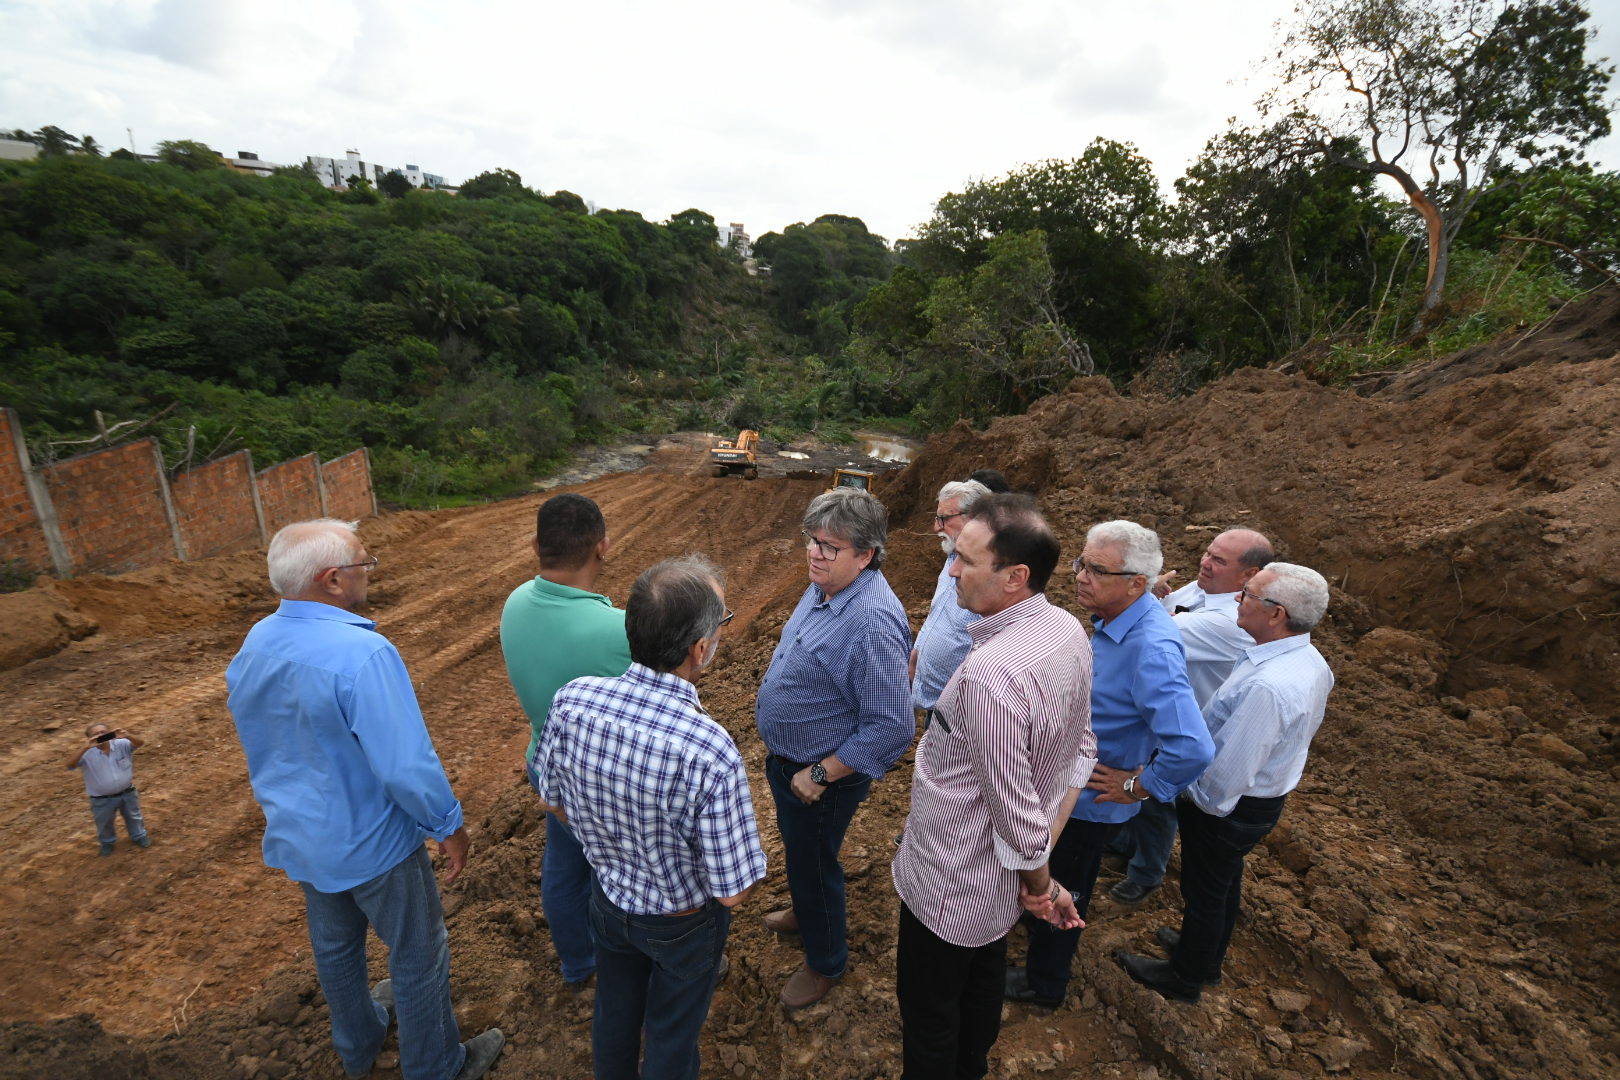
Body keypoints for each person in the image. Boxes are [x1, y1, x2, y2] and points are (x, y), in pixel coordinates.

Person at [227, 519, 502, 1080]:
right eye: (363, 562)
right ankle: (437, 1067)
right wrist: (447, 824)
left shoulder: (256, 642)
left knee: (335, 948)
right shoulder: (364, 653)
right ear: (331, 581)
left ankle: (359, 1042)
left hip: (302, 837)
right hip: (374, 845)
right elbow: (404, 765)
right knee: (419, 954)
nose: (369, 569)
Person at [531, 556, 765, 1080]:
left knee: (615, 1010)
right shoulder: (708, 749)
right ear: (700, 649)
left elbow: (552, 800)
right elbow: (731, 892)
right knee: (671, 1033)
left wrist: (607, 844)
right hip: (682, 923)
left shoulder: (572, 702)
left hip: (608, 900)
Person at [892, 494, 1096, 1080]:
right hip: (993, 892)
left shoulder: (990, 677)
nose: (951, 570)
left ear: (1015, 577)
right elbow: (1080, 754)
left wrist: (1041, 881)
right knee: (978, 993)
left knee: (931, 1018)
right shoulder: (1064, 630)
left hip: (950, 885)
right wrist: (1038, 876)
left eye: (965, 560)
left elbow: (1014, 814)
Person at [1007, 520, 1214, 1009]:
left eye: (1096, 570)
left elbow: (1193, 746)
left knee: (1069, 887)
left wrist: (1140, 785)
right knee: (1049, 874)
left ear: (1136, 584)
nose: (1079, 575)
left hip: (1090, 800)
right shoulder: (1118, 619)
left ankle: (1045, 984)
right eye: (1081, 562)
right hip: (1066, 786)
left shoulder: (1152, 647)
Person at [1116, 562, 1335, 1003]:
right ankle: (1206, 954)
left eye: (1249, 594)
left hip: (1230, 809)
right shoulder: (1304, 659)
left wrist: (1165, 787)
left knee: (1205, 889)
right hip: (1259, 800)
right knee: (1222, 882)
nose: (1237, 598)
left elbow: (1223, 781)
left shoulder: (1269, 686)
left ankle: (1187, 977)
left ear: (1277, 614)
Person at [755, 487, 913, 1009]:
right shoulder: (825, 584)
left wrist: (819, 775)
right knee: (802, 856)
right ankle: (805, 911)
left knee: (815, 863)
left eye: (830, 546)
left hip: (821, 779)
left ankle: (825, 962)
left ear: (865, 555)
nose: (814, 553)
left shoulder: (872, 622)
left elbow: (892, 725)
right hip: (790, 765)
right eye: (812, 540)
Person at [500, 493, 633, 989]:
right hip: (599, 775)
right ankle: (623, 958)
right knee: (616, 868)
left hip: (544, 762)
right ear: (603, 548)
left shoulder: (515, 603)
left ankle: (578, 964)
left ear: (536, 544)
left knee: (563, 869)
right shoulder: (619, 629)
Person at [1108, 528, 1274, 906]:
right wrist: (1150, 598)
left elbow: (1141, 628)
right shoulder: (1199, 593)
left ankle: (1147, 872)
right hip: (1152, 709)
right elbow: (1155, 617)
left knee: (1157, 801)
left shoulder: (1230, 620)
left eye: (1219, 560)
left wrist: (1142, 595)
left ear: (1249, 575)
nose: (1205, 562)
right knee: (1134, 787)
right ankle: (1124, 843)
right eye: (1207, 553)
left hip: (1181, 723)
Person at [909, 478, 992, 715]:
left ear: (976, 517)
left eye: (944, 519)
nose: (936, 527)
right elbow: (939, 615)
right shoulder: (950, 560)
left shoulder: (989, 576)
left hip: (962, 714)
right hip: (935, 707)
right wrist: (918, 655)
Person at [67, 723, 150, 856]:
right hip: (102, 799)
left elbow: (140, 743)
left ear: (110, 732)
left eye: (103, 732)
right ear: (89, 738)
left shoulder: (121, 744)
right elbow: (70, 766)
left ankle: (139, 836)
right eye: (96, 734)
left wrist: (128, 735)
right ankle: (107, 843)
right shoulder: (86, 753)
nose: (100, 735)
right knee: (104, 823)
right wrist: (84, 748)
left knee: (134, 816)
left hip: (127, 793)